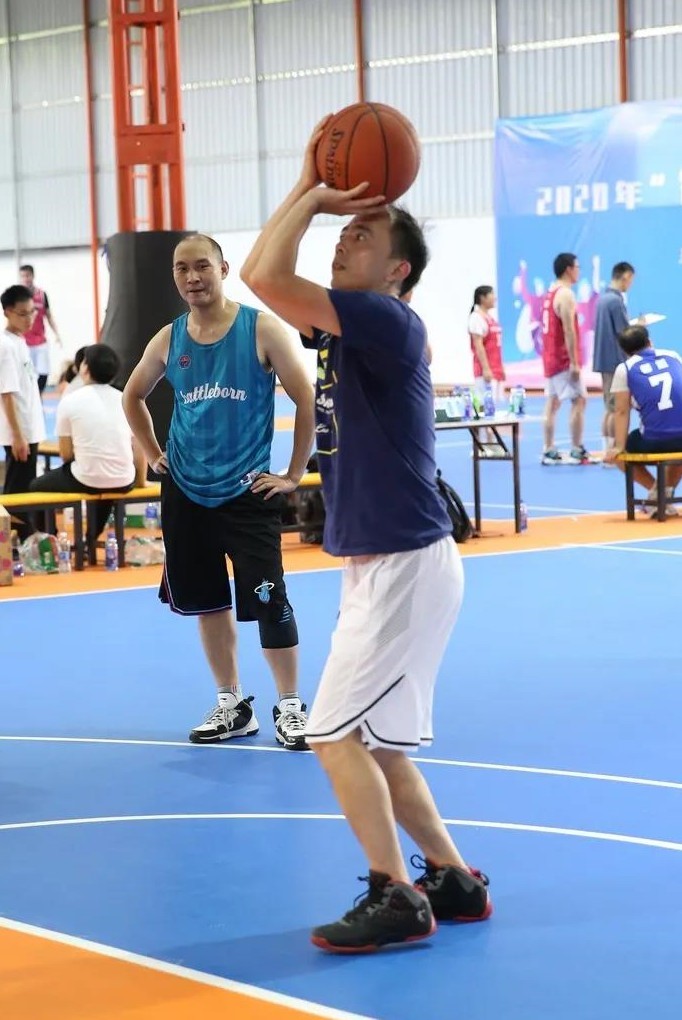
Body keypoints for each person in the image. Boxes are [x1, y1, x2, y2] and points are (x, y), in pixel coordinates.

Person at [241, 121, 491, 953]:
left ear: (397, 271)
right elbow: (264, 275)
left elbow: (260, 275)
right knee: (377, 746)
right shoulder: (350, 327)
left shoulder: (384, 319)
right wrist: (310, 194)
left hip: (404, 565)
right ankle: (451, 879)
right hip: (391, 565)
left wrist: (313, 193)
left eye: (362, 234)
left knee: (329, 735)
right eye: (342, 231)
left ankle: (396, 895)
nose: (343, 239)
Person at [122, 233, 315, 751]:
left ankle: (290, 706)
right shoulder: (169, 338)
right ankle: (232, 704)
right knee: (208, 603)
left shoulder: (261, 328)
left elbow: (305, 398)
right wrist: (152, 452)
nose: (193, 277)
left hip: (248, 493)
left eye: (202, 266)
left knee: (269, 599)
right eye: (182, 268)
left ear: (223, 269)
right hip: (185, 492)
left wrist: (293, 473)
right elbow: (132, 395)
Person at [29, 344, 146, 553]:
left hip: (87, 478)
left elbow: (65, 455)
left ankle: (53, 541)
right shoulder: (125, 398)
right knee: (105, 482)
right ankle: (90, 539)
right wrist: (140, 481)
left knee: (36, 487)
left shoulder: (70, 401)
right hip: (124, 479)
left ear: (85, 368)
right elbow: (140, 448)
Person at [604, 325, 682, 510]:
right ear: (649, 341)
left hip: (653, 440)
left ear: (624, 351)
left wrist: (618, 446)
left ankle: (656, 493)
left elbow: (621, 411)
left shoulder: (624, 369)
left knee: (619, 455)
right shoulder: (673, 356)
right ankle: (664, 493)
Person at [0, 285, 45, 540]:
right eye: (23, 314)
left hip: (28, 430)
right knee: (17, 494)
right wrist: (17, 436)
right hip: (20, 433)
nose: (29, 319)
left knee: (24, 489)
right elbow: (6, 394)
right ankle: (13, 544)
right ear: (7, 312)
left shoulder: (19, 342)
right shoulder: (6, 345)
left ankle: (19, 540)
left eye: (32, 312)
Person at [540, 252, 589, 464]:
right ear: (569, 269)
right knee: (579, 400)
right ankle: (576, 448)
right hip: (562, 358)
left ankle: (548, 448)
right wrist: (574, 362)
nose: (579, 271)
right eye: (577, 267)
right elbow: (569, 330)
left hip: (550, 356)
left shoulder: (550, 292)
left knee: (552, 402)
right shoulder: (566, 294)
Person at [592, 262, 635, 459]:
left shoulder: (603, 299)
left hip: (604, 359)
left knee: (608, 407)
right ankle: (611, 450)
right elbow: (624, 333)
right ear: (625, 277)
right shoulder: (616, 302)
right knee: (615, 407)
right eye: (630, 280)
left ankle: (606, 447)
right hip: (615, 360)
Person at [19, 264, 61, 394]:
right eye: (23, 276)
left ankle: (38, 395)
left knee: (43, 372)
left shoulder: (42, 295)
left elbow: (49, 316)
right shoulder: (18, 296)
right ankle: (31, 396)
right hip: (24, 343)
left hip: (40, 342)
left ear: (33, 276)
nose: (26, 279)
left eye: (28, 275)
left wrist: (57, 334)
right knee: (28, 372)